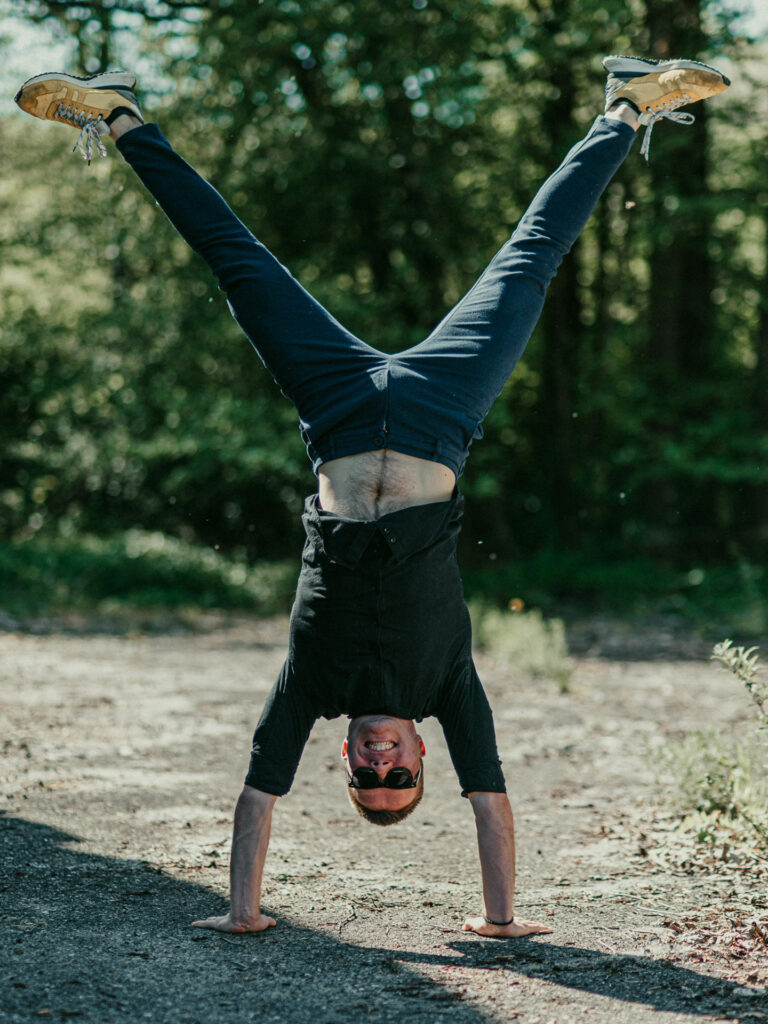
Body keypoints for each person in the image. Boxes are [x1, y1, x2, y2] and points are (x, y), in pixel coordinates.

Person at [15, 55, 729, 937]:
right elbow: (493, 801)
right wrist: (500, 922)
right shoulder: (451, 688)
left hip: (339, 408)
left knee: (235, 261)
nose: (383, 766)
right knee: (533, 261)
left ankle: (120, 112)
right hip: (441, 411)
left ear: (345, 763)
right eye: (401, 777)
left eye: (369, 778)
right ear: (426, 755)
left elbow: (255, 793)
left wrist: (244, 912)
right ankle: (626, 105)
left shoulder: (310, 686)